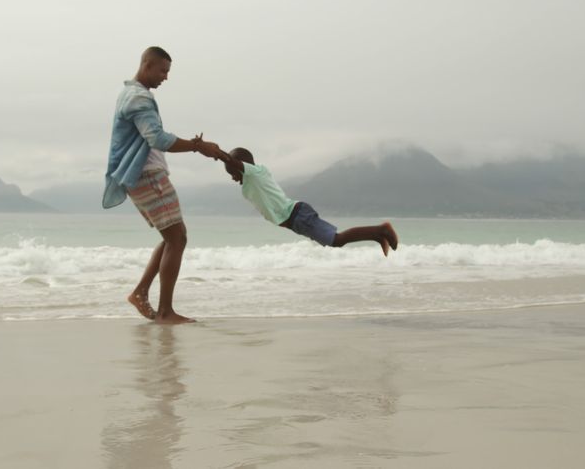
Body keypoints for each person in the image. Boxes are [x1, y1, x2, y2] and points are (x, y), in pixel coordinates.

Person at [103, 47, 227, 324]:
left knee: (172, 237)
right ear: (146, 65)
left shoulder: (131, 94)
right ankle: (165, 312)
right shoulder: (138, 98)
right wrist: (198, 146)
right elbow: (157, 138)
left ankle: (140, 293)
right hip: (146, 174)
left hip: (143, 174)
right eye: (163, 70)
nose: (166, 77)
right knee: (177, 238)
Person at [220, 147, 399, 255]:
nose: (233, 177)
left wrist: (213, 151)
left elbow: (233, 162)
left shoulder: (256, 173)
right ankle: (377, 236)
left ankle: (382, 229)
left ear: (242, 167)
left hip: (298, 216)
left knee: (337, 240)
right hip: (296, 220)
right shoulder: (249, 183)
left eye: (233, 173)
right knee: (336, 241)